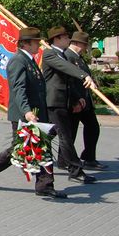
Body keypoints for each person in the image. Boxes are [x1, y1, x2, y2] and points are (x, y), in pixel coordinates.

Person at [0, 27, 67, 198]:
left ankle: (44, 185)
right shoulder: (18, 61)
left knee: (40, 147)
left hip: (36, 113)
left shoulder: (29, 60)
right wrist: (27, 111)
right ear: (26, 44)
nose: (38, 45)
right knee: (22, 149)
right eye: (36, 42)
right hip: (25, 114)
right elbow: (18, 89)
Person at [42, 26, 98, 184]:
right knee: (65, 136)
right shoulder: (50, 54)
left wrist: (77, 98)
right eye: (66, 37)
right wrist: (84, 75)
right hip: (53, 102)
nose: (69, 40)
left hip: (64, 102)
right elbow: (65, 68)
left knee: (47, 135)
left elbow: (68, 82)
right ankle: (75, 170)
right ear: (57, 39)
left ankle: (29, 155)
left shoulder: (62, 55)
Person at [64, 31, 106, 170]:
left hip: (85, 101)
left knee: (93, 127)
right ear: (76, 43)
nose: (85, 48)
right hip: (75, 101)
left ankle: (88, 157)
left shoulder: (78, 57)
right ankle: (65, 159)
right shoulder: (67, 56)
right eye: (84, 45)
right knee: (70, 132)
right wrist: (75, 100)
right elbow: (69, 80)